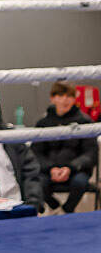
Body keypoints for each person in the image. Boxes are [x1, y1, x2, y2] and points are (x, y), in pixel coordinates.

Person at [32, 81, 98, 213]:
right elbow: (36, 152)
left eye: (69, 96)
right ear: (53, 97)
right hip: (49, 171)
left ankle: (66, 211)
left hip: (77, 171)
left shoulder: (85, 121)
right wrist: (51, 168)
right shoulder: (43, 123)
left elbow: (91, 152)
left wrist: (71, 168)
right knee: (36, 182)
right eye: (61, 95)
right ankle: (55, 207)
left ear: (74, 98)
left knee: (80, 182)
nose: (65, 100)